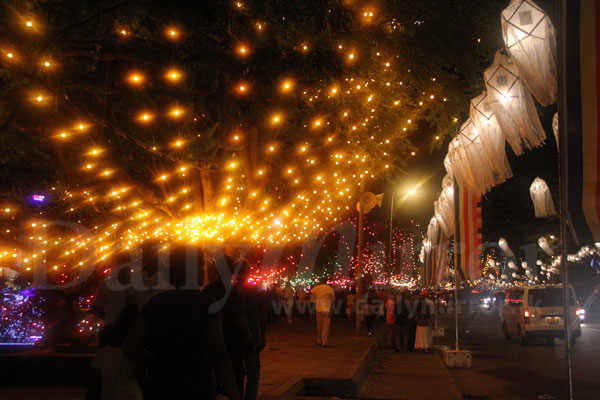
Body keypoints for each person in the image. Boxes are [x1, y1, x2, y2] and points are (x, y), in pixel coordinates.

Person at [124, 245, 240, 400]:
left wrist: (153, 362)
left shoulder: (156, 303)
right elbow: (219, 353)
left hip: (162, 383)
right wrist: (234, 393)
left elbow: (130, 346)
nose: (204, 271)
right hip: (198, 382)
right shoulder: (207, 305)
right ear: (194, 270)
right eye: (201, 265)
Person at [203, 255, 253, 399]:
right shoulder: (235, 292)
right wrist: (249, 338)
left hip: (213, 339)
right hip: (233, 340)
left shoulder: (208, 290)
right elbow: (239, 318)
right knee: (235, 374)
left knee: (214, 378)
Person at [236, 259, 267, 400]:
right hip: (251, 334)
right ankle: (249, 396)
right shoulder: (255, 290)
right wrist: (263, 334)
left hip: (234, 335)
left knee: (237, 370)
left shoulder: (231, 290)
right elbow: (262, 314)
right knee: (253, 370)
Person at [86, 323, 141, 400]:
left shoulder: (101, 354)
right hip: (131, 396)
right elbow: (141, 375)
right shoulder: (130, 353)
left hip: (111, 396)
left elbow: (94, 382)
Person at [310, 278, 335, 346]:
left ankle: (319, 339)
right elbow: (333, 300)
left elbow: (311, 292)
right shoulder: (330, 289)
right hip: (327, 308)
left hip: (319, 308)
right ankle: (325, 341)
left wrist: (313, 300)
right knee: (326, 325)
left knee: (319, 325)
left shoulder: (317, 288)